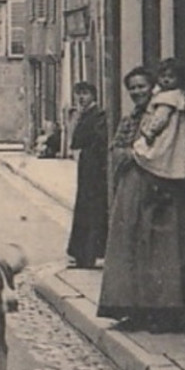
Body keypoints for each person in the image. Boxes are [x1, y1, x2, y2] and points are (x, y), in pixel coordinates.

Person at [97, 65, 185, 330]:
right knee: (130, 246)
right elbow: (118, 147)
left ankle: (162, 314)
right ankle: (133, 310)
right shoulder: (132, 117)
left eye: (141, 86)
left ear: (152, 86)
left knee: (160, 251)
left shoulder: (164, 111)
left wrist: (135, 156)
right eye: (132, 88)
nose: (136, 92)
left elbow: (166, 149)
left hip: (159, 187)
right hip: (132, 187)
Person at [132, 58, 185, 181]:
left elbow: (160, 118)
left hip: (169, 133)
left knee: (161, 152)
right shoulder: (179, 95)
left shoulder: (168, 97)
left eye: (171, 77)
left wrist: (150, 132)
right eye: (162, 76)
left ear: (179, 79)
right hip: (180, 134)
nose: (166, 80)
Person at [66, 82, 108, 269]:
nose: (81, 98)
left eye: (85, 94)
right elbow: (75, 142)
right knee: (84, 208)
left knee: (91, 210)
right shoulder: (84, 115)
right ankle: (82, 255)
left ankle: (88, 255)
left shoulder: (98, 115)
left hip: (95, 167)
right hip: (87, 166)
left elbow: (83, 139)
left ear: (93, 95)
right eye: (78, 94)